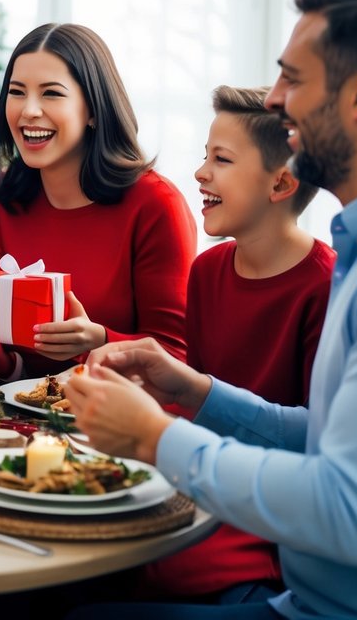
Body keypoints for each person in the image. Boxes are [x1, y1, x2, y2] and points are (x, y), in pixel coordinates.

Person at [64, 0, 357, 620]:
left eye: (292, 78)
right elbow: (322, 434)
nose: (276, 100)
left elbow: (346, 509)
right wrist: (190, 389)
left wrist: (155, 438)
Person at [138, 85, 334, 601]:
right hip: (191, 497)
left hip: (266, 534)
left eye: (221, 159)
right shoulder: (206, 272)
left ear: (281, 183)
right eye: (204, 156)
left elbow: (317, 447)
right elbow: (192, 403)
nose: (201, 172)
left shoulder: (326, 287)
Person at [0, 23, 197, 383]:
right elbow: (10, 371)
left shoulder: (156, 204)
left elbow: (178, 355)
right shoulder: (1, 197)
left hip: (123, 422)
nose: (28, 110)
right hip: (18, 422)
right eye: (17, 93)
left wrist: (98, 341)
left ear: (93, 110)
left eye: (51, 93)